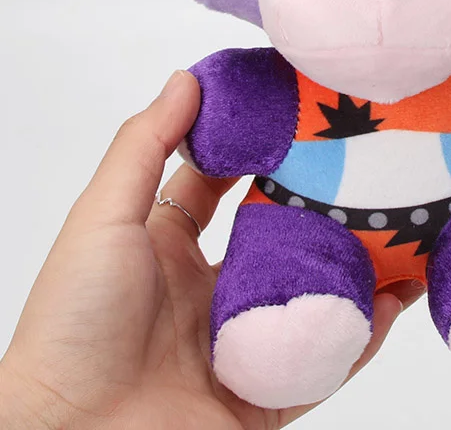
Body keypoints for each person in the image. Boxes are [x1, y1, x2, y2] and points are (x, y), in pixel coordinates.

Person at [0, 71, 417, 428]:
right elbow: (221, 116)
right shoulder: (282, 85)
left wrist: (49, 406)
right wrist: (52, 406)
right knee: (283, 295)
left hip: (446, 218)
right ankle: (270, 334)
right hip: (300, 228)